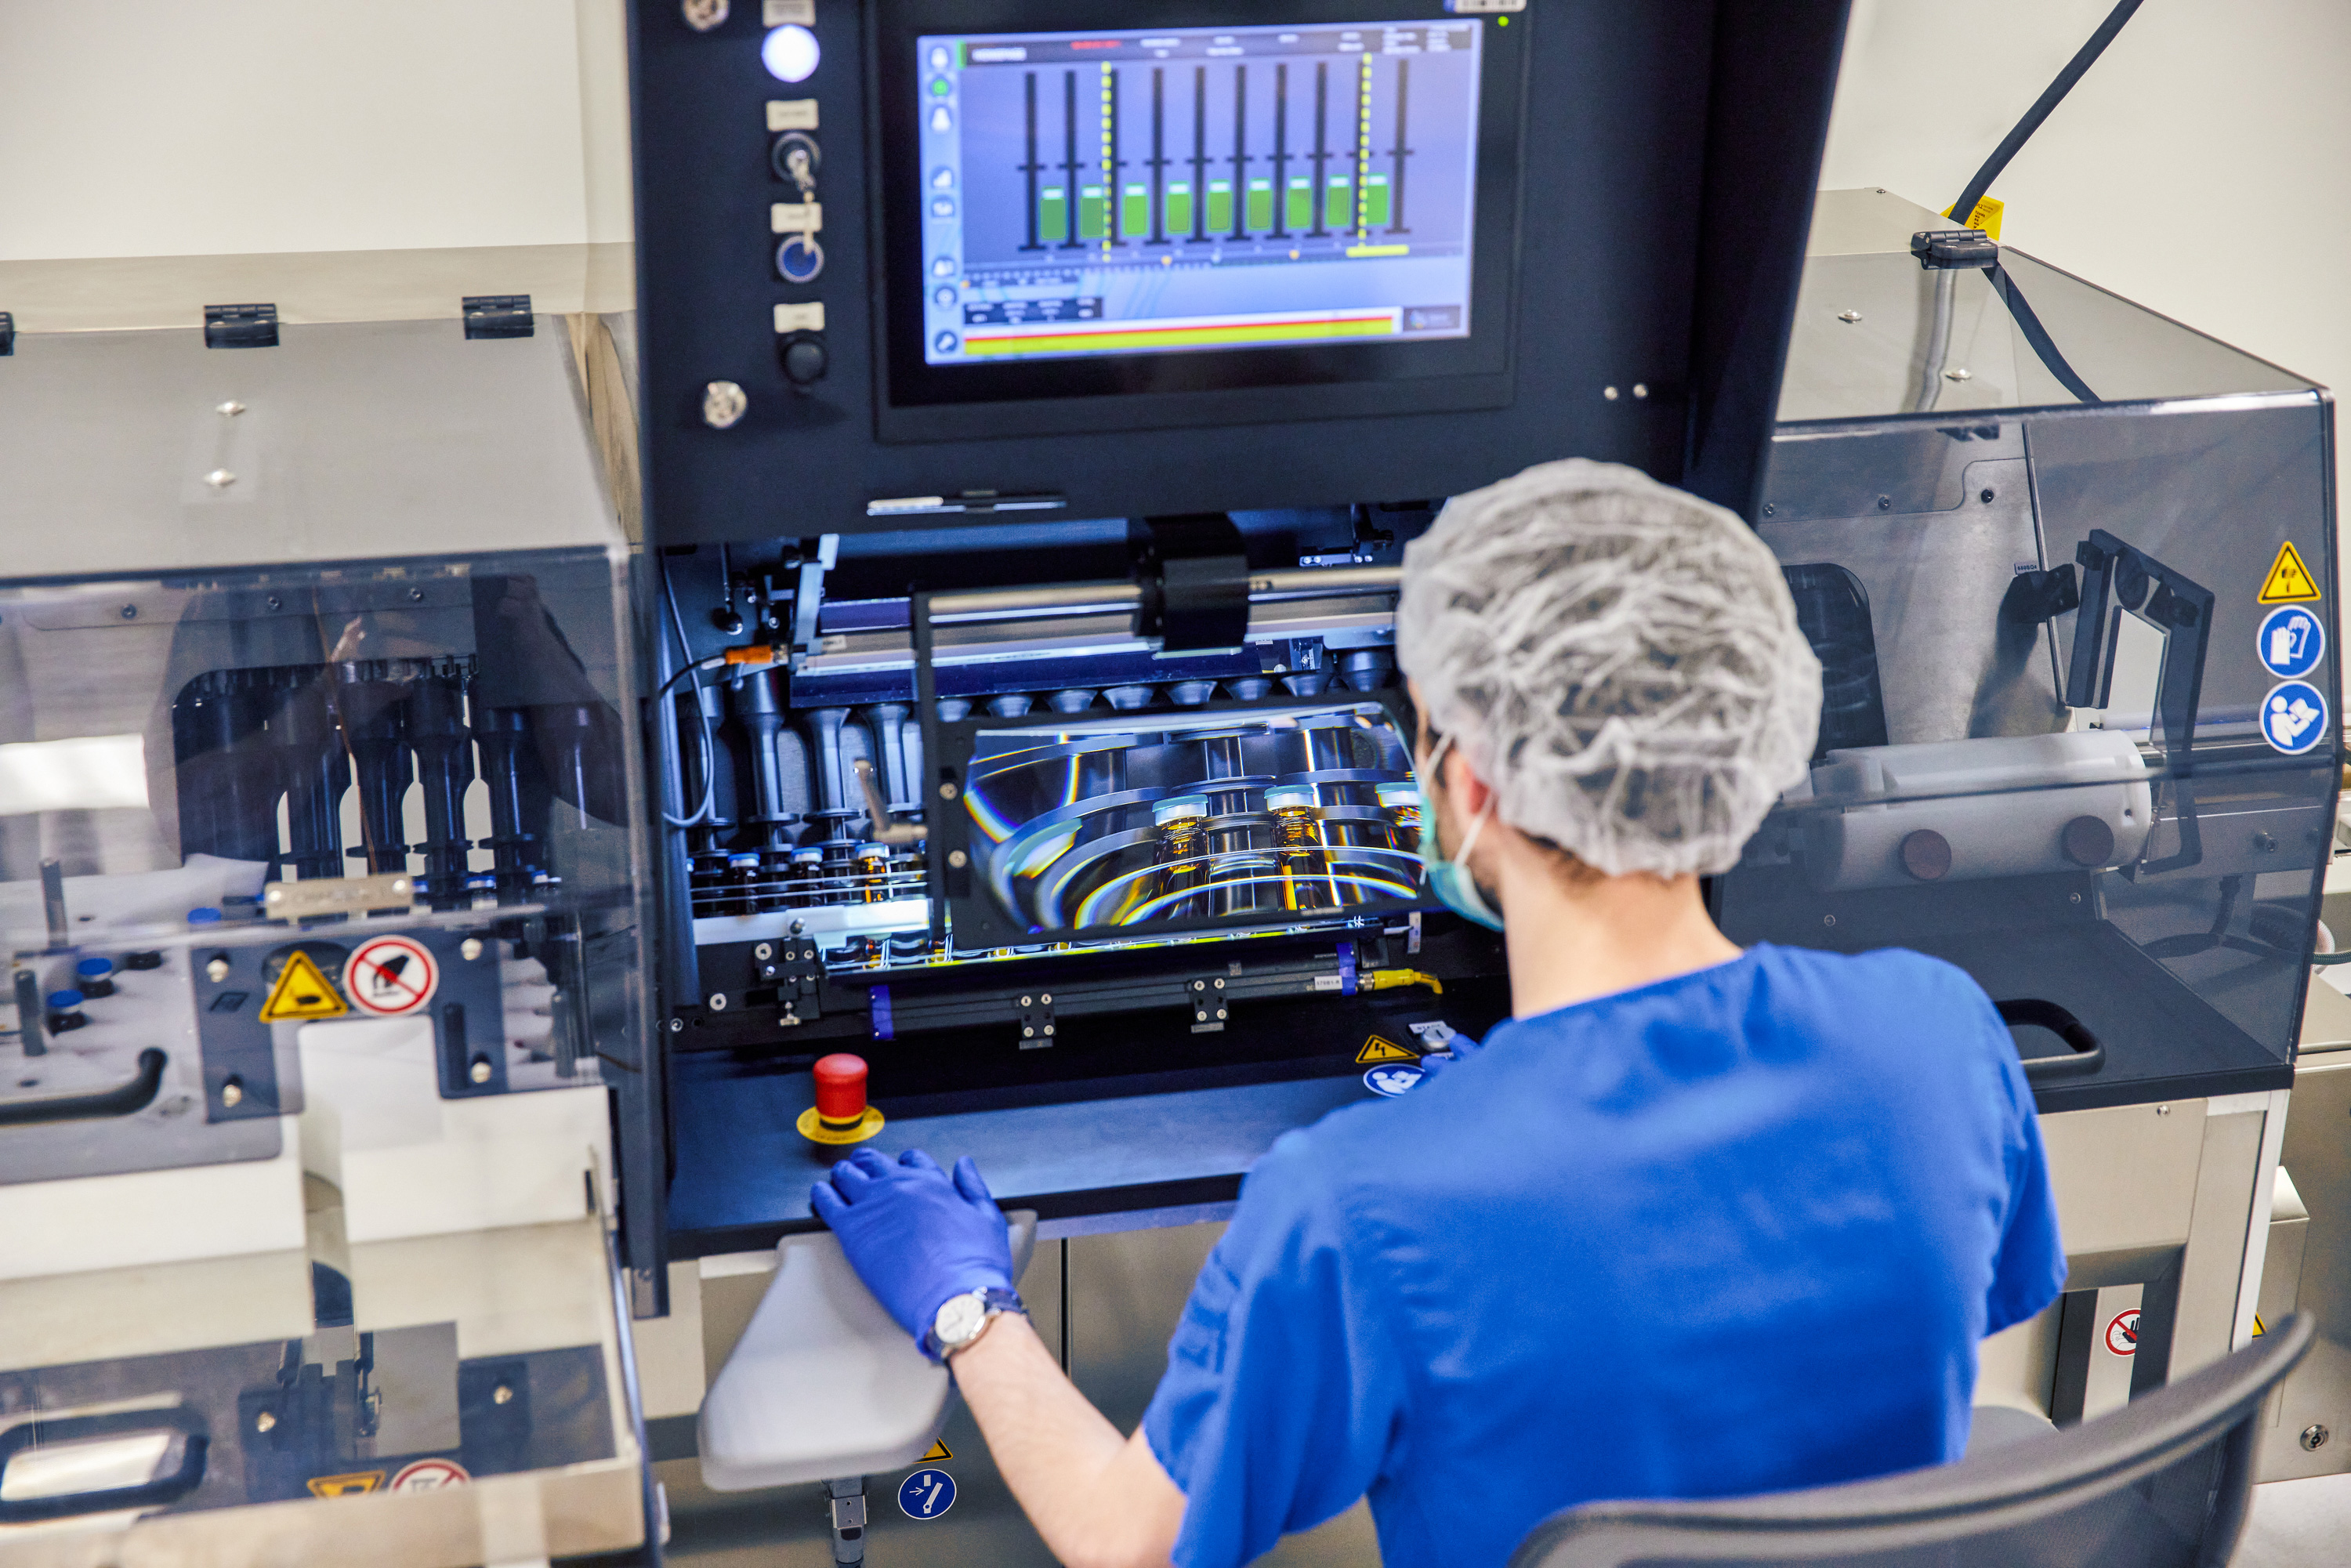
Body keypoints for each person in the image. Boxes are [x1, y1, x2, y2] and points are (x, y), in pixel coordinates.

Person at [812, 459, 2067, 1568]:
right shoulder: (1939, 1036)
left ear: (1468, 785)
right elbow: (1953, 1312)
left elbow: (1124, 1536)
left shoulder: (1360, 1203)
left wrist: (968, 1303)